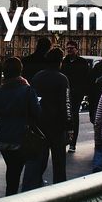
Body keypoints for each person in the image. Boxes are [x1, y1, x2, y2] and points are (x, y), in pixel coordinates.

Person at [0, 56, 42, 195]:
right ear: (20, 71)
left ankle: (11, 193)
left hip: (1, 138)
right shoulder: (27, 90)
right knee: (21, 168)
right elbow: (37, 112)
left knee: (12, 168)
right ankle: (14, 199)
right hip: (19, 137)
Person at [30, 47, 72, 184]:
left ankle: (35, 185)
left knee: (40, 160)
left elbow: (33, 100)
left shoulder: (37, 77)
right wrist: (70, 126)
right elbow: (66, 104)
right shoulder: (62, 79)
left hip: (40, 124)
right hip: (57, 126)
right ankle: (59, 188)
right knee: (59, 161)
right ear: (60, 61)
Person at [61, 41, 93, 153]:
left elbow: (86, 78)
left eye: (71, 48)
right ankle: (65, 140)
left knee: (74, 117)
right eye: (68, 48)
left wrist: (84, 92)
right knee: (64, 117)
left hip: (76, 94)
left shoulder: (82, 62)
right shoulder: (64, 61)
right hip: (65, 93)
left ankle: (72, 144)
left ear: (77, 49)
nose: (69, 50)